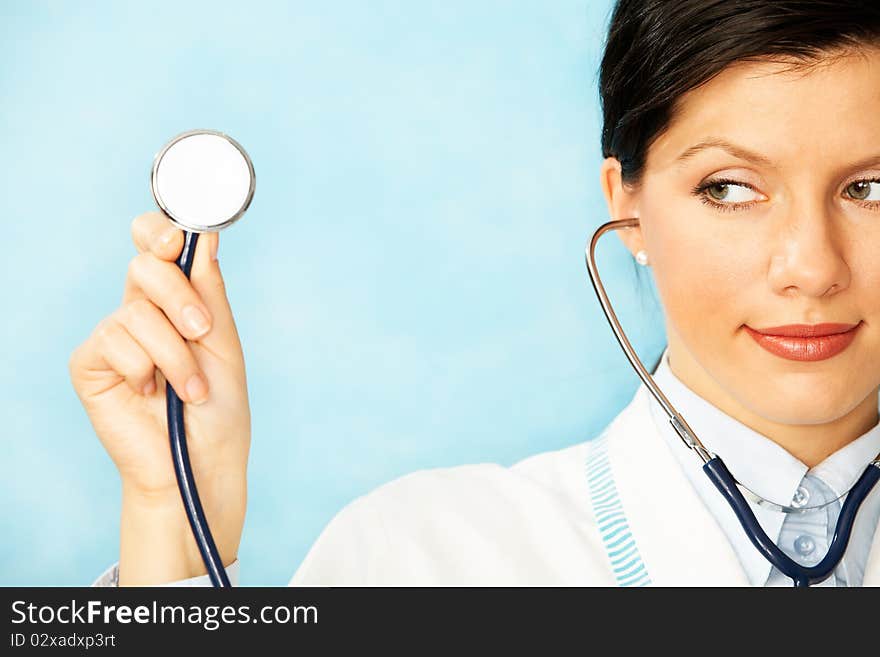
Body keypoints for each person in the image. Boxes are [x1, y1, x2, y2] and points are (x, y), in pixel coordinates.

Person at [70, 0, 880, 587]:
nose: (810, 267)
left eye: (871, 188)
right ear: (626, 206)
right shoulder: (419, 557)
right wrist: (172, 532)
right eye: (730, 188)